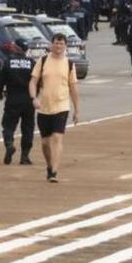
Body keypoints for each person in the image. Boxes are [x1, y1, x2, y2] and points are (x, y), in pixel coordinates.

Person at [29, 33, 80, 183]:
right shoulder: (43, 61)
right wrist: (34, 98)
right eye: (56, 44)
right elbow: (33, 81)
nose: (58, 46)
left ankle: (54, 172)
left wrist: (77, 110)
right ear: (51, 45)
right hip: (44, 107)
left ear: (65, 46)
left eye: (61, 44)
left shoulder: (69, 64)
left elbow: (73, 88)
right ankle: (49, 165)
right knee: (45, 143)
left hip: (62, 106)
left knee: (57, 138)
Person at [0, 39, 35, 165]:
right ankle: (25, 156)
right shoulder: (32, 63)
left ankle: (9, 145)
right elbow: (37, 81)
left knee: (8, 126)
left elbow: (0, 80)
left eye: (14, 46)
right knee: (28, 128)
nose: (11, 47)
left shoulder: (8, 62)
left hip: (13, 98)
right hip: (29, 100)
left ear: (17, 48)